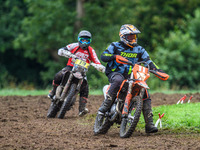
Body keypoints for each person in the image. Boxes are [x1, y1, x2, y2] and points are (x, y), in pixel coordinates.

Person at [98, 24, 166, 133]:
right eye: (130, 37)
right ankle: (105, 106)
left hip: (133, 75)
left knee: (145, 92)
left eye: (134, 36)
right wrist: (115, 56)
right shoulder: (115, 46)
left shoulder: (139, 49)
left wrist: (158, 70)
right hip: (116, 73)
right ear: (123, 36)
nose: (133, 39)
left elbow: (148, 61)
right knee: (118, 81)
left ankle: (149, 124)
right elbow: (103, 56)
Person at [48, 30, 104, 117]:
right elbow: (62, 50)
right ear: (79, 39)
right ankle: (53, 91)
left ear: (90, 41)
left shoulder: (91, 50)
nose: (84, 42)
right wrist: (65, 52)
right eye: (83, 40)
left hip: (82, 70)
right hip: (71, 67)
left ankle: (82, 109)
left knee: (85, 87)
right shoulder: (74, 45)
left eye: (87, 40)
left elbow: (97, 61)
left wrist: (100, 67)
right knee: (59, 75)